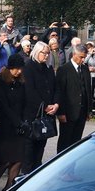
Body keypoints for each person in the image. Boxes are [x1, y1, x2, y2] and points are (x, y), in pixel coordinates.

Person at [0, 54, 26, 191]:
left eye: (20, 69)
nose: (19, 72)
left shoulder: (21, 82)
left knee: (18, 159)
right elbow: (3, 105)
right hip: (6, 125)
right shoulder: (1, 82)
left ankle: (8, 187)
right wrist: (17, 121)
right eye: (15, 69)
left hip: (19, 125)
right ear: (10, 68)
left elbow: (24, 102)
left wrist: (23, 121)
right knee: (5, 160)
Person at [22, 41, 59, 172]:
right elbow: (29, 90)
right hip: (33, 113)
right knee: (29, 149)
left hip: (47, 114)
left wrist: (55, 104)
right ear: (37, 52)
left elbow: (55, 88)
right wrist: (44, 106)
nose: (47, 56)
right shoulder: (28, 66)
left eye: (48, 53)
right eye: (44, 53)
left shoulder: (48, 68)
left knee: (41, 146)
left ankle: (36, 171)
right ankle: (26, 175)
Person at [56, 43, 93, 152]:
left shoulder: (85, 69)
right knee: (65, 141)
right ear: (74, 54)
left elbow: (88, 91)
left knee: (76, 142)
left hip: (81, 112)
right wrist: (61, 112)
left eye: (84, 57)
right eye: (81, 57)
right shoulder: (64, 69)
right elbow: (60, 91)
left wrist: (89, 110)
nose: (83, 60)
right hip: (68, 112)